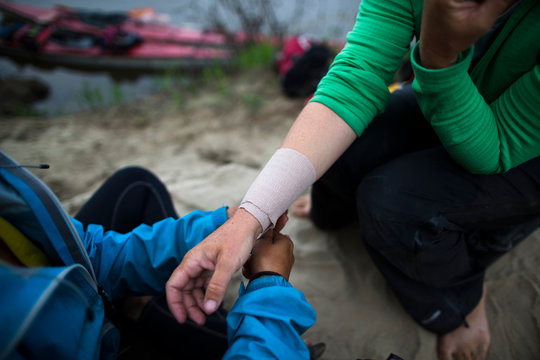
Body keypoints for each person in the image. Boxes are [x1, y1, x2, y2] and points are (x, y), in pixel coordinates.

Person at [165, 0, 540, 359]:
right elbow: (354, 79)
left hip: (518, 148)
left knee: (390, 202)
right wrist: (251, 217)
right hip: (448, 90)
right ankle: (335, 207)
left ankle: (462, 300)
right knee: (337, 157)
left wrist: (439, 55)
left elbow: (495, 150)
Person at [0, 149, 316, 359]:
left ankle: (140, 304)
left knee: (136, 186)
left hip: (77, 290)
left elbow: (90, 252)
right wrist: (269, 283)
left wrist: (221, 227)